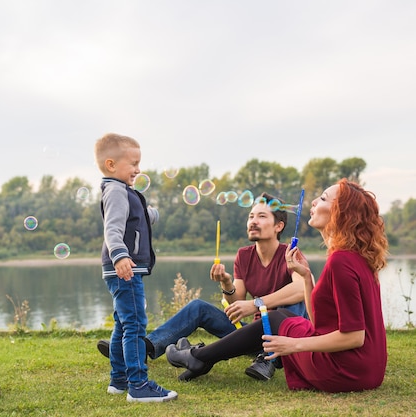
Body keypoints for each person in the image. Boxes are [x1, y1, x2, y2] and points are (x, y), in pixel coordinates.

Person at [166, 179, 388, 393]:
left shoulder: (341, 261)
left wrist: (293, 345)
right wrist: (307, 277)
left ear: (341, 212)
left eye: (322, 198)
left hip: (343, 370)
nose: (313, 202)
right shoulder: (355, 256)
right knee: (278, 316)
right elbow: (320, 321)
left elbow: (354, 337)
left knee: (275, 318)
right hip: (367, 369)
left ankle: (198, 357)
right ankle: (198, 357)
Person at [98, 192, 307, 381]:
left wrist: (256, 304)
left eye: (261, 216)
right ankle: (143, 348)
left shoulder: (291, 254)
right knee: (198, 307)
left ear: (278, 226)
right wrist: (226, 283)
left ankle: (268, 360)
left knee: (296, 299)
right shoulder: (244, 255)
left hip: (284, 338)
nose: (253, 221)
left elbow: (301, 289)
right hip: (252, 336)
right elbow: (238, 306)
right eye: (251, 216)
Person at [94, 133, 177, 402]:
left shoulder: (122, 191)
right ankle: (138, 385)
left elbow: (134, 219)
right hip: (124, 267)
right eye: (133, 163)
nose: (138, 169)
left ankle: (118, 381)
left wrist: (150, 213)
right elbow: (113, 228)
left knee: (123, 323)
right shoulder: (116, 191)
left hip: (122, 268)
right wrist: (120, 256)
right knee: (136, 325)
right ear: (111, 165)